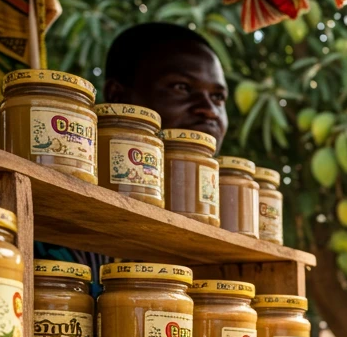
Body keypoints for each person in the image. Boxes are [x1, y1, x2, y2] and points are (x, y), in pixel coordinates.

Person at [36, 21, 230, 268]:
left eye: (218, 97)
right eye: (181, 87)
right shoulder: (53, 198)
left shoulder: (223, 218)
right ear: (117, 96)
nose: (209, 110)